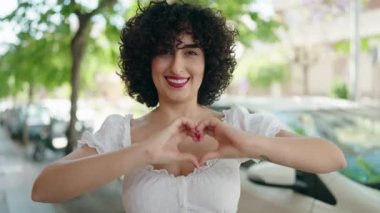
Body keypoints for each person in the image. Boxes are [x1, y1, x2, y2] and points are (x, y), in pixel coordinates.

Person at [31, 1, 346, 212]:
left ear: (209, 62)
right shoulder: (122, 132)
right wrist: (144, 152)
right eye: (165, 51)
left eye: (191, 52)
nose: (177, 66)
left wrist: (248, 144)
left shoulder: (237, 124)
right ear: (146, 60)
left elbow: (332, 157)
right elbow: (44, 189)